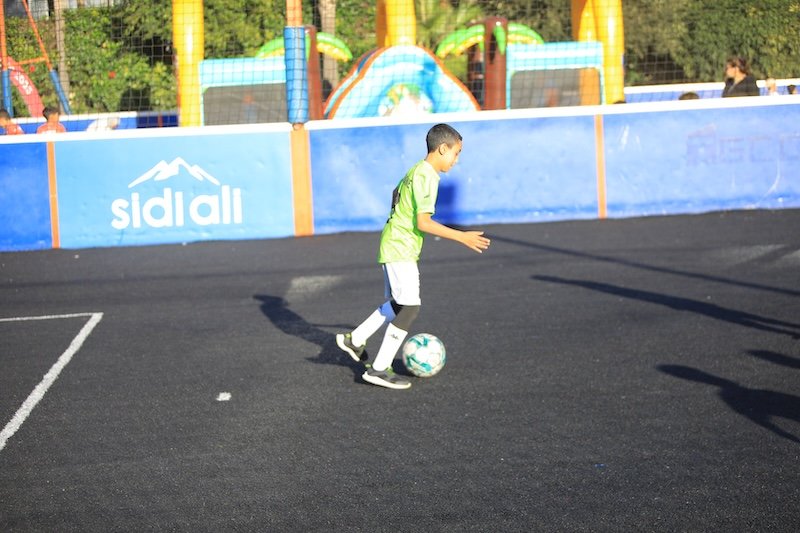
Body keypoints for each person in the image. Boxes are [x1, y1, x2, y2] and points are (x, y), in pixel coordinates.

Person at [336, 123, 491, 390]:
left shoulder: (415, 170)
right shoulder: (427, 176)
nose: (456, 160)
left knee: (399, 304)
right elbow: (423, 222)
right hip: (400, 247)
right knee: (410, 307)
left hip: (394, 244)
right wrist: (462, 237)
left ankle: (355, 339)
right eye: (456, 153)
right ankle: (379, 369)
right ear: (442, 148)